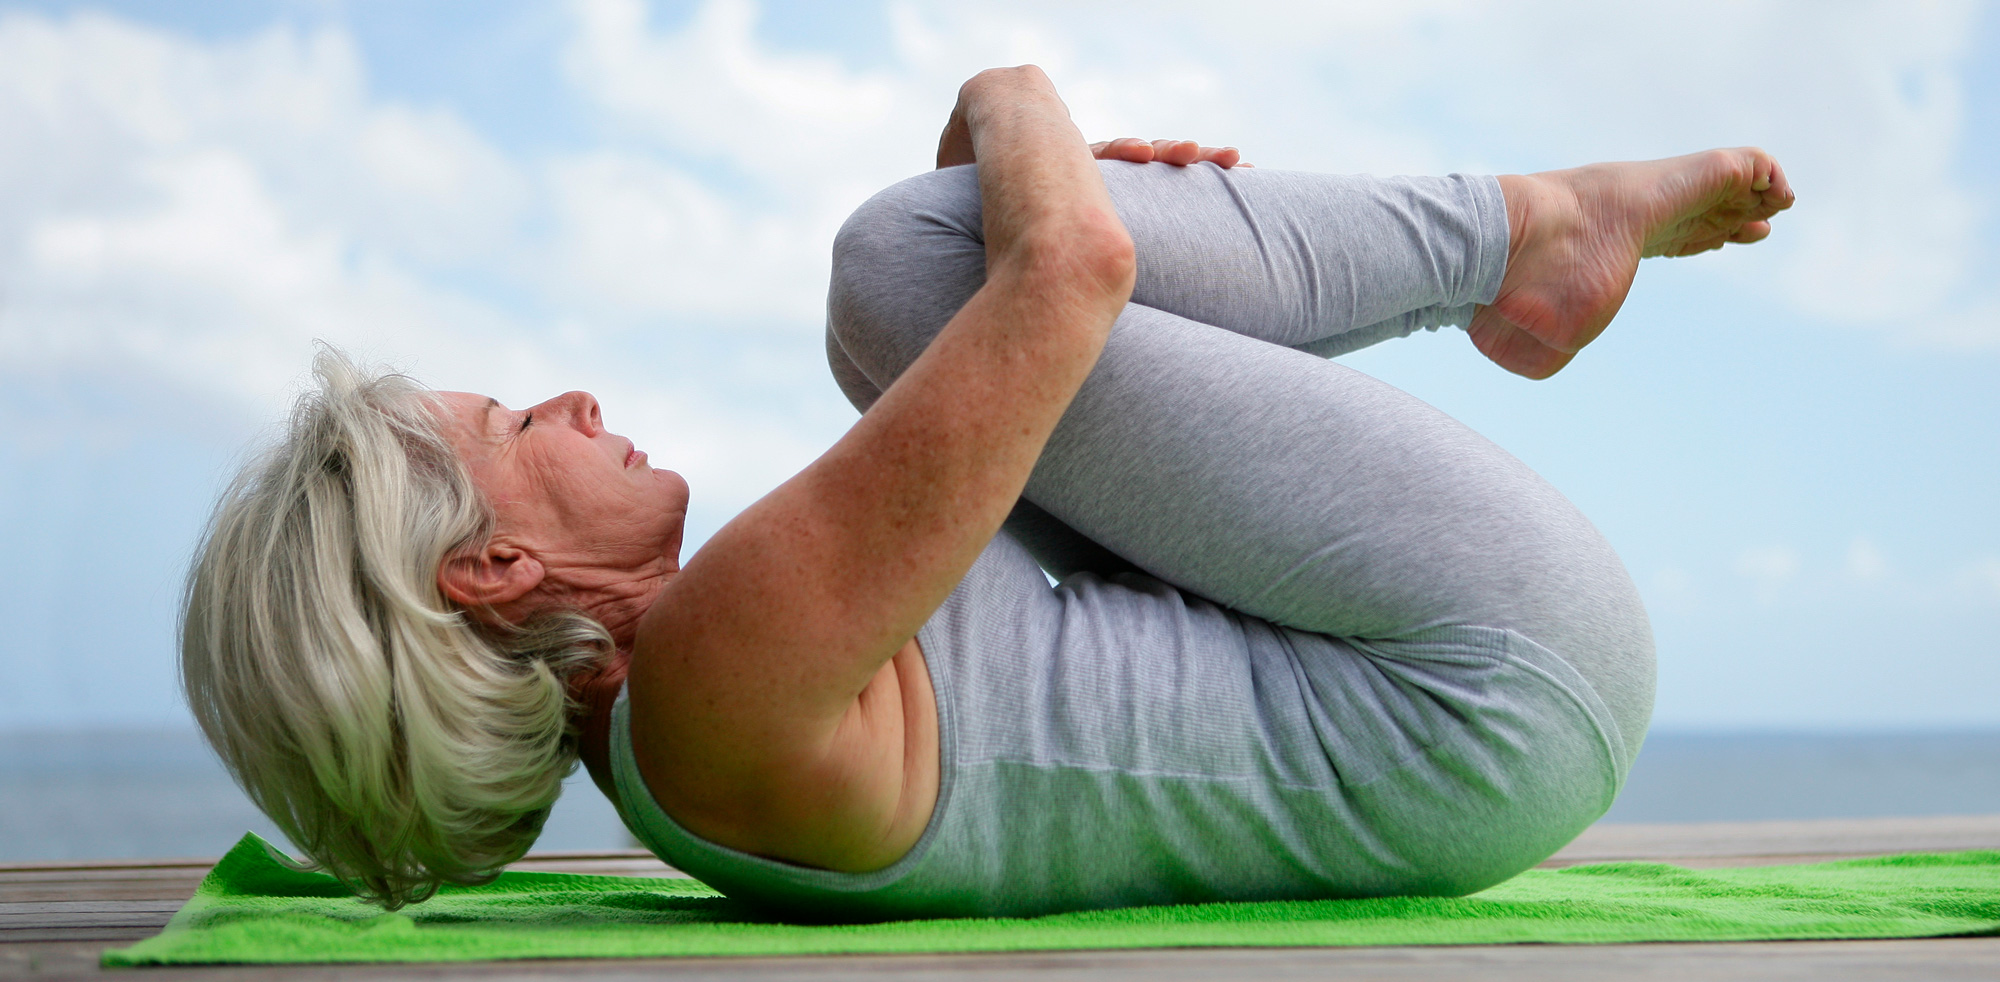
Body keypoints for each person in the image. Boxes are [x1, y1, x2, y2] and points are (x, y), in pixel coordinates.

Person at [181, 67, 1794, 916]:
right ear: (492, 564)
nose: (578, 398)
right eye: (519, 416)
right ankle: (1523, 233)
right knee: (901, 264)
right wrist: (1015, 100)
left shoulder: (688, 752)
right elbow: (1072, 267)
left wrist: (1035, 218)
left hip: (1465, 730)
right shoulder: (714, 676)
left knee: (934, 282)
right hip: (1490, 674)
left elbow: (1044, 363)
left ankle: (1524, 246)